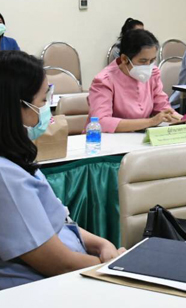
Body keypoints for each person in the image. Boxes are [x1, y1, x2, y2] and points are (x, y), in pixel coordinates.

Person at [0, 51, 125, 290]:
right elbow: (59, 264)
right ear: (16, 108)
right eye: (42, 102)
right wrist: (114, 266)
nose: (46, 110)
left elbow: (57, 222)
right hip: (38, 289)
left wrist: (100, 244)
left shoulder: (16, 159)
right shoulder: (5, 178)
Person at [88, 29, 182, 133]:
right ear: (124, 59)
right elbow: (101, 122)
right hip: (110, 139)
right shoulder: (104, 81)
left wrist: (182, 120)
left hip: (140, 136)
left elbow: (163, 107)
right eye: (143, 61)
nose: (148, 66)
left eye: (152, 60)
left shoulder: (152, 73)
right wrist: (151, 122)